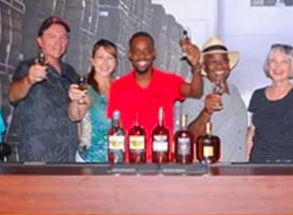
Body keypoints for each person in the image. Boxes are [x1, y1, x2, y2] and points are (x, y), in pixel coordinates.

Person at [106, 31, 203, 161]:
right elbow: (117, 127)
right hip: (130, 164)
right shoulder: (118, 87)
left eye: (147, 51)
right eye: (137, 51)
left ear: (154, 53)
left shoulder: (169, 81)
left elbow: (195, 92)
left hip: (162, 163)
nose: (142, 56)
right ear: (129, 55)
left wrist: (196, 67)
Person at [9, 16, 79, 162]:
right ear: (40, 41)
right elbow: (13, 95)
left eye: (63, 38)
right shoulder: (27, 67)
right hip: (38, 155)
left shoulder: (71, 72)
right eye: (52, 37)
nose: (58, 42)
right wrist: (29, 80)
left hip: (68, 155)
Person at [179, 37, 248, 162]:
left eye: (223, 61)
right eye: (213, 62)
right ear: (204, 67)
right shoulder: (197, 91)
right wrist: (206, 112)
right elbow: (190, 137)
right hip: (212, 172)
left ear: (228, 64)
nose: (219, 65)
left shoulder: (234, 90)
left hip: (238, 170)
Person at [246, 44, 293, 162]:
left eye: (284, 62)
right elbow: (252, 133)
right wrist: (246, 165)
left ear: (292, 67)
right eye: (273, 61)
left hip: (290, 166)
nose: (278, 66)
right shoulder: (258, 95)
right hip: (259, 165)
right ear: (268, 65)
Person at [67, 39, 118, 163]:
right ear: (93, 61)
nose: (105, 63)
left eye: (109, 57)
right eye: (100, 57)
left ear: (115, 62)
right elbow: (75, 116)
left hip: (116, 159)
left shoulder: (119, 87)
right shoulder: (87, 89)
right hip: (91, 160)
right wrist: (74, 100)